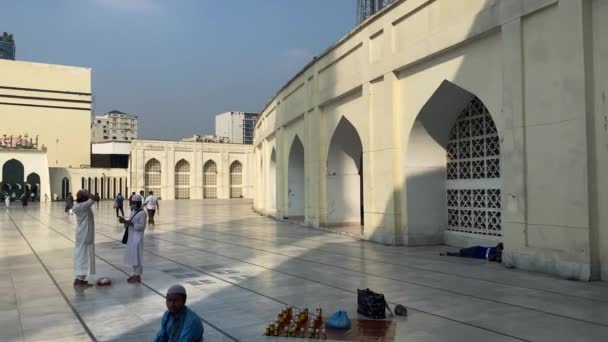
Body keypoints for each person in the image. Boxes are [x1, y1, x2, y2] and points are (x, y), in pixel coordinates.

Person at [71, 189, 99, 287]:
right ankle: (79, 280)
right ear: (83, 198)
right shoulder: (83, 206)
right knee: (83, 255)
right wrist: (88, 194)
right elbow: (95, 198)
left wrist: (86, 194)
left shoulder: (77, 205)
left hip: (82, 233)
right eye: (86, 196)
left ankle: (80, 279)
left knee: (82, 254)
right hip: (84, 234)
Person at [119, 194, 147, 283]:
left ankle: (138, 276)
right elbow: (130, 222)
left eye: (134, 203)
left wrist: (131, 223)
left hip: (137, 239)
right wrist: (124, 221)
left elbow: (141, 227)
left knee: (137, 257)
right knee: (133, 257)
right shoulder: (133, 211)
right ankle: (135, 274)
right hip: (131, 238)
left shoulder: (142, 213)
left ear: (139, 203)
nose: (132, 204)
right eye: (132, 203)